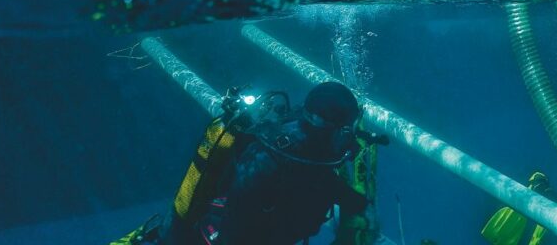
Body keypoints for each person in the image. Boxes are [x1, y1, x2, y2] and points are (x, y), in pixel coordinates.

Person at [114, 82, 372, 245]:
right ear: (325, 126)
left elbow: (322, 182)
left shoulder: (306, 147)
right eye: (345, 130)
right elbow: (235, 229)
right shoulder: (274, 161)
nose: (348, 137)